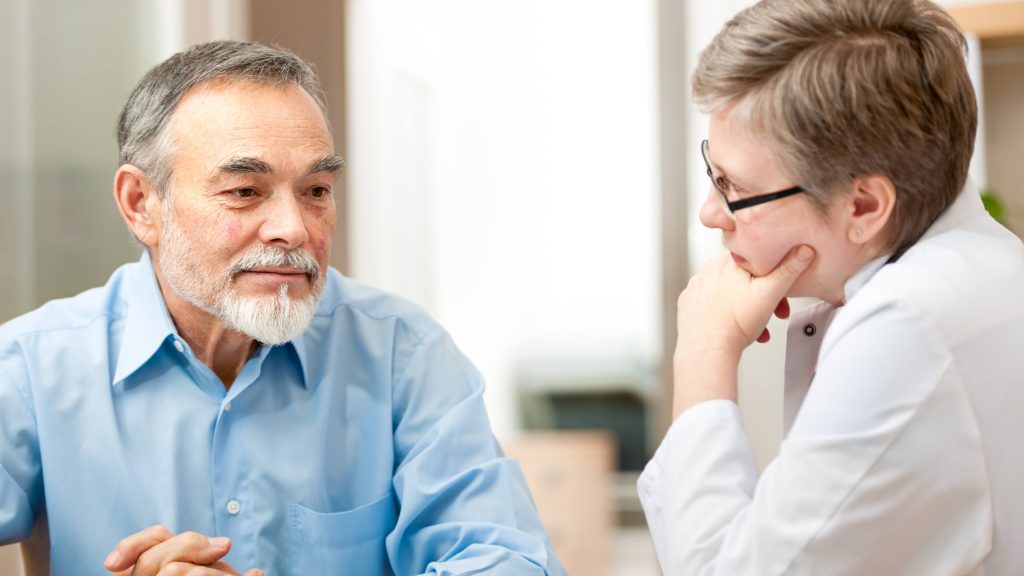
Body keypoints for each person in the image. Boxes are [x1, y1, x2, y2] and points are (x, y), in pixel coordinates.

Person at [0, 40, 566, 576]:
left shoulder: (403, 353)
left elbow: (506, 559)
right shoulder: (30, 370)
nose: (294, 228)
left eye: (316, 190)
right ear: (141, 204)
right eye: (245, 191)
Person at [638, 0, 1024, 574]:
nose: (710, 213)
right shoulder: (986, 262)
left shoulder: (907, 325)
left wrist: (702, 353)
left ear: (863, 205)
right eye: (712, 173)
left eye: (735, 187)